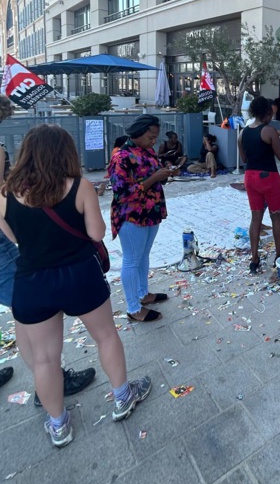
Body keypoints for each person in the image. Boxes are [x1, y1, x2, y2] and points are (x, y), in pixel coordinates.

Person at [0, 124, 151, 447]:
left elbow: (15, 240)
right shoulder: (79, 187)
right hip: (79, 274)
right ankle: (123, 396)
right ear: (65, 153)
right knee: (106, 336)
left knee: (44, 359)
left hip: (33, 280)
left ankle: (58, 426)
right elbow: (96, 234)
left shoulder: (5, 195)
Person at [0, 98, 95, 402]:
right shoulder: (79, 186)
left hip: (20, 259)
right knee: (32, 325)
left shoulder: (9, 183)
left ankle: (50, 390)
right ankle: (50, 384)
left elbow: (11, 223)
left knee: (26, 321)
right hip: (25, 260)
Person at [108, 114, 172, 323]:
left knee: (144, 255)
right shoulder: (121, 157)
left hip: (151, 212)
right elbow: (122, 194)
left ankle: (143, 294)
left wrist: (165, 172)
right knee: (132, 260)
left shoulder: (147, 151)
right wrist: (154, 178)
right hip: (132, 217)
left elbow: (151, 175)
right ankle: (133, 308)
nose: (154, 141)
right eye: (150, 137)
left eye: (155, 138)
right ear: (138, 133)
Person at [238, 97, 280, 274]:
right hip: (269, 177)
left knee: (255, 219)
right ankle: (278, 254)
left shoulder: (242, 133)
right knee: (276, 216)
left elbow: (244, 159)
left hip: (250, 177)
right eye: (271, 113)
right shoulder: (270, 131)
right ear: (266, 113)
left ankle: (254, 259)